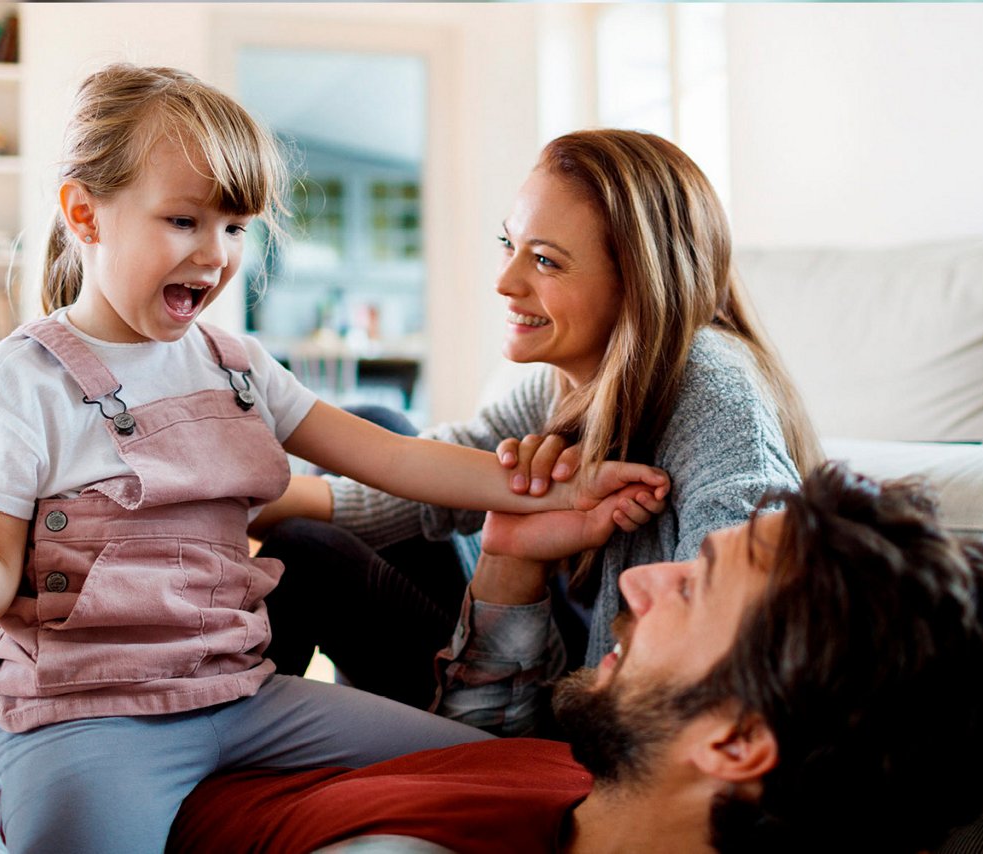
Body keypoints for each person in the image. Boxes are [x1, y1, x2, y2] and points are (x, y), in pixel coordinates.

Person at [0, 65, 670, 854]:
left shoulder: (233, 363)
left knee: (531, 774)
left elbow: (399, 459)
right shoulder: (21, 382)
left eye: (234, 227)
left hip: (245, 699)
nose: (216, 253)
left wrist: (562, 486)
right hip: (85, 723)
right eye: (184, 221)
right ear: (85, 215)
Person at [0, 461, 983, 853]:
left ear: (735, 741)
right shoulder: (604, 796)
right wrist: (512, 565)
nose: (637, 576)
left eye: (696, 581)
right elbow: (484, 747)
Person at [255, 128, 821, 710]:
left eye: (546, 260)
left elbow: (750, 580)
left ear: (638, 285)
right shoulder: (576, 380)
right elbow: (439, 481)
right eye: (509, 243)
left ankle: (220, 758)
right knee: (379, 422)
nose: (505, 283)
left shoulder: (708, 385)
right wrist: (225, 498)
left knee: (301, 554)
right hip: (538, 645)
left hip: (582, 701)